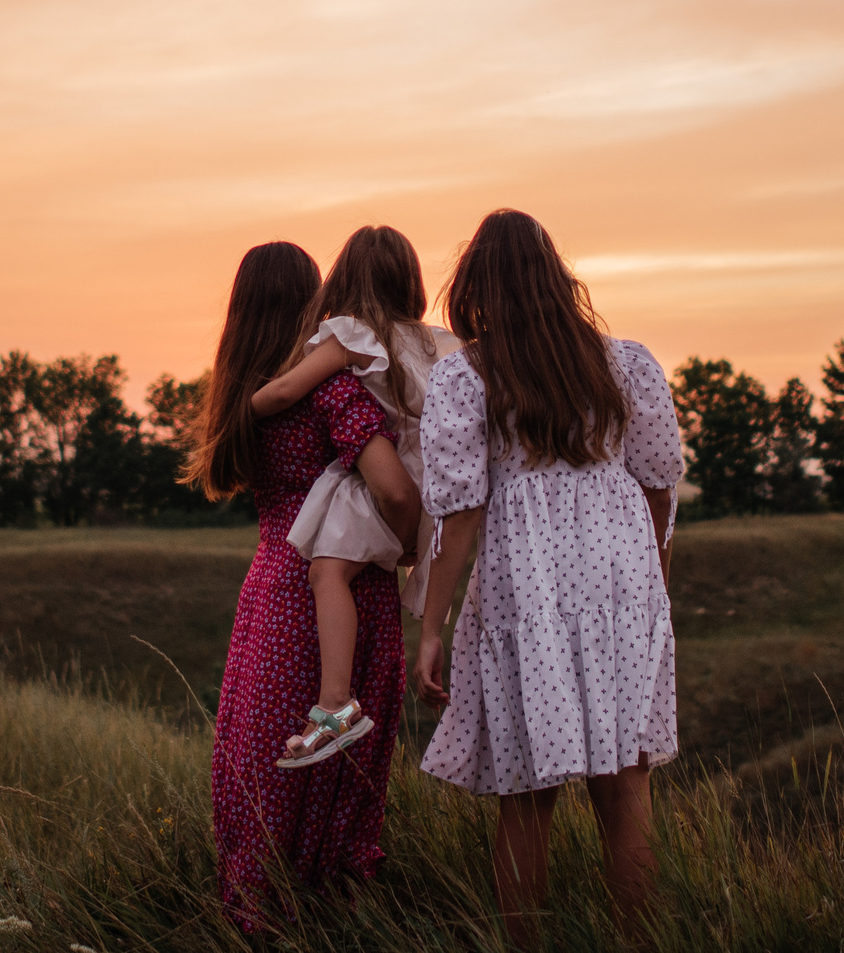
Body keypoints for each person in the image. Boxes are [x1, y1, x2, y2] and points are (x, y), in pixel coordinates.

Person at [413, 209, 684, 948]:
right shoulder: (625, 362)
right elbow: (659, 482)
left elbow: (460, 511)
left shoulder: (467, 375)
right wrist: (653, 584)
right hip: (622, 581)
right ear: (556, 279)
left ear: (475, 287)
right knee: (627, 788)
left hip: (526, 585)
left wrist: (431, 625)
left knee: (526, 797)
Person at [187, 240, 422, 929]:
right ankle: (333, 923)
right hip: (345, 589)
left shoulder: (244, 397)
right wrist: (408, 541)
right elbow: (393, 486)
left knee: (260, 764)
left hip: (269, 587)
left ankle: (256, 916)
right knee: (337, 779)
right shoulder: (334, 387)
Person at [244, 225, 460, 766]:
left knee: (326, 572)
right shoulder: (438, 343)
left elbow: (290, 389)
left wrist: (244, 408)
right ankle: (341, 703)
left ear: (343, 278)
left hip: (379, 482)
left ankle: (336, 703)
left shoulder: (353, 334)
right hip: (430, 490)